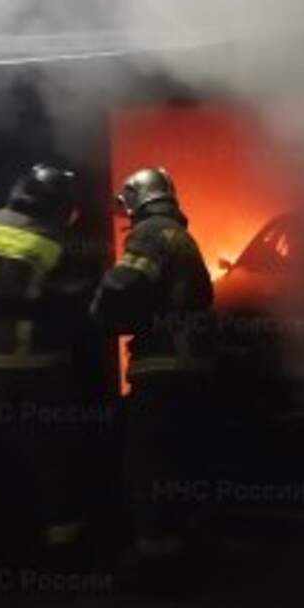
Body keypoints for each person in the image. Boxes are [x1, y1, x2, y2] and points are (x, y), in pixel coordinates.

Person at [0, 163, 102, 566]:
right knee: (52, 456)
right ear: (58, 204)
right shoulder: (56, 238)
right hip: (31, 366)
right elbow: (78, 297)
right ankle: (63, 548)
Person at [89, 167, 214, 568]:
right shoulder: (180, 235)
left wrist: (98, 318)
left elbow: (122, 285)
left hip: (161, 367)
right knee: (180, 461)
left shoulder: (149, 232)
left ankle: (156, 559)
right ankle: (186, 552)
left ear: (135, 200)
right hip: (190, 366)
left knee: (149, 464)